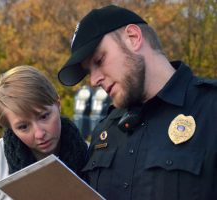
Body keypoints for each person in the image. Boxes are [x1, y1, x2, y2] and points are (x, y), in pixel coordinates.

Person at [58, 4, 217, 200]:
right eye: (89, 71)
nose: (93, 80)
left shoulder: (211, 108)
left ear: (133, 38)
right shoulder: (104, 132)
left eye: (99, 61)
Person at [0, 65, 87, 199]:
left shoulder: (94, 155)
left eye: (44, 116)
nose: (39, 134)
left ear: (58, 105)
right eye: (23, 127)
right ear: (9, 127)